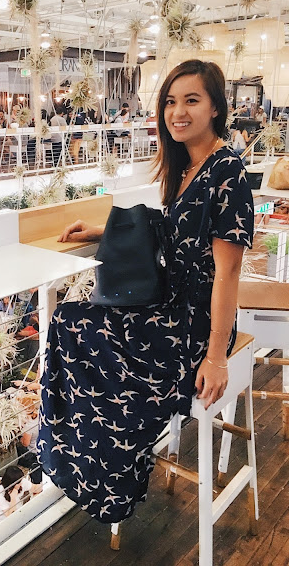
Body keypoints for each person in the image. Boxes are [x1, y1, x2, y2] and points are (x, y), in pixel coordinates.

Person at [37, 59, 254, 524]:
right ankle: (98, 469)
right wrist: (101, 230)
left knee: (76, 327)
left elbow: (228, 273)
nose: (178, 112)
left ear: (216, 107)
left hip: (194, 326)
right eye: (170, 102)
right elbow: (169, 232)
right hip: (168, 308)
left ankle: (110, 476)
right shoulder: (189, 166)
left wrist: (216, 356)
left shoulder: (227, 170)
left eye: (191, 100)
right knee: (68, 321)